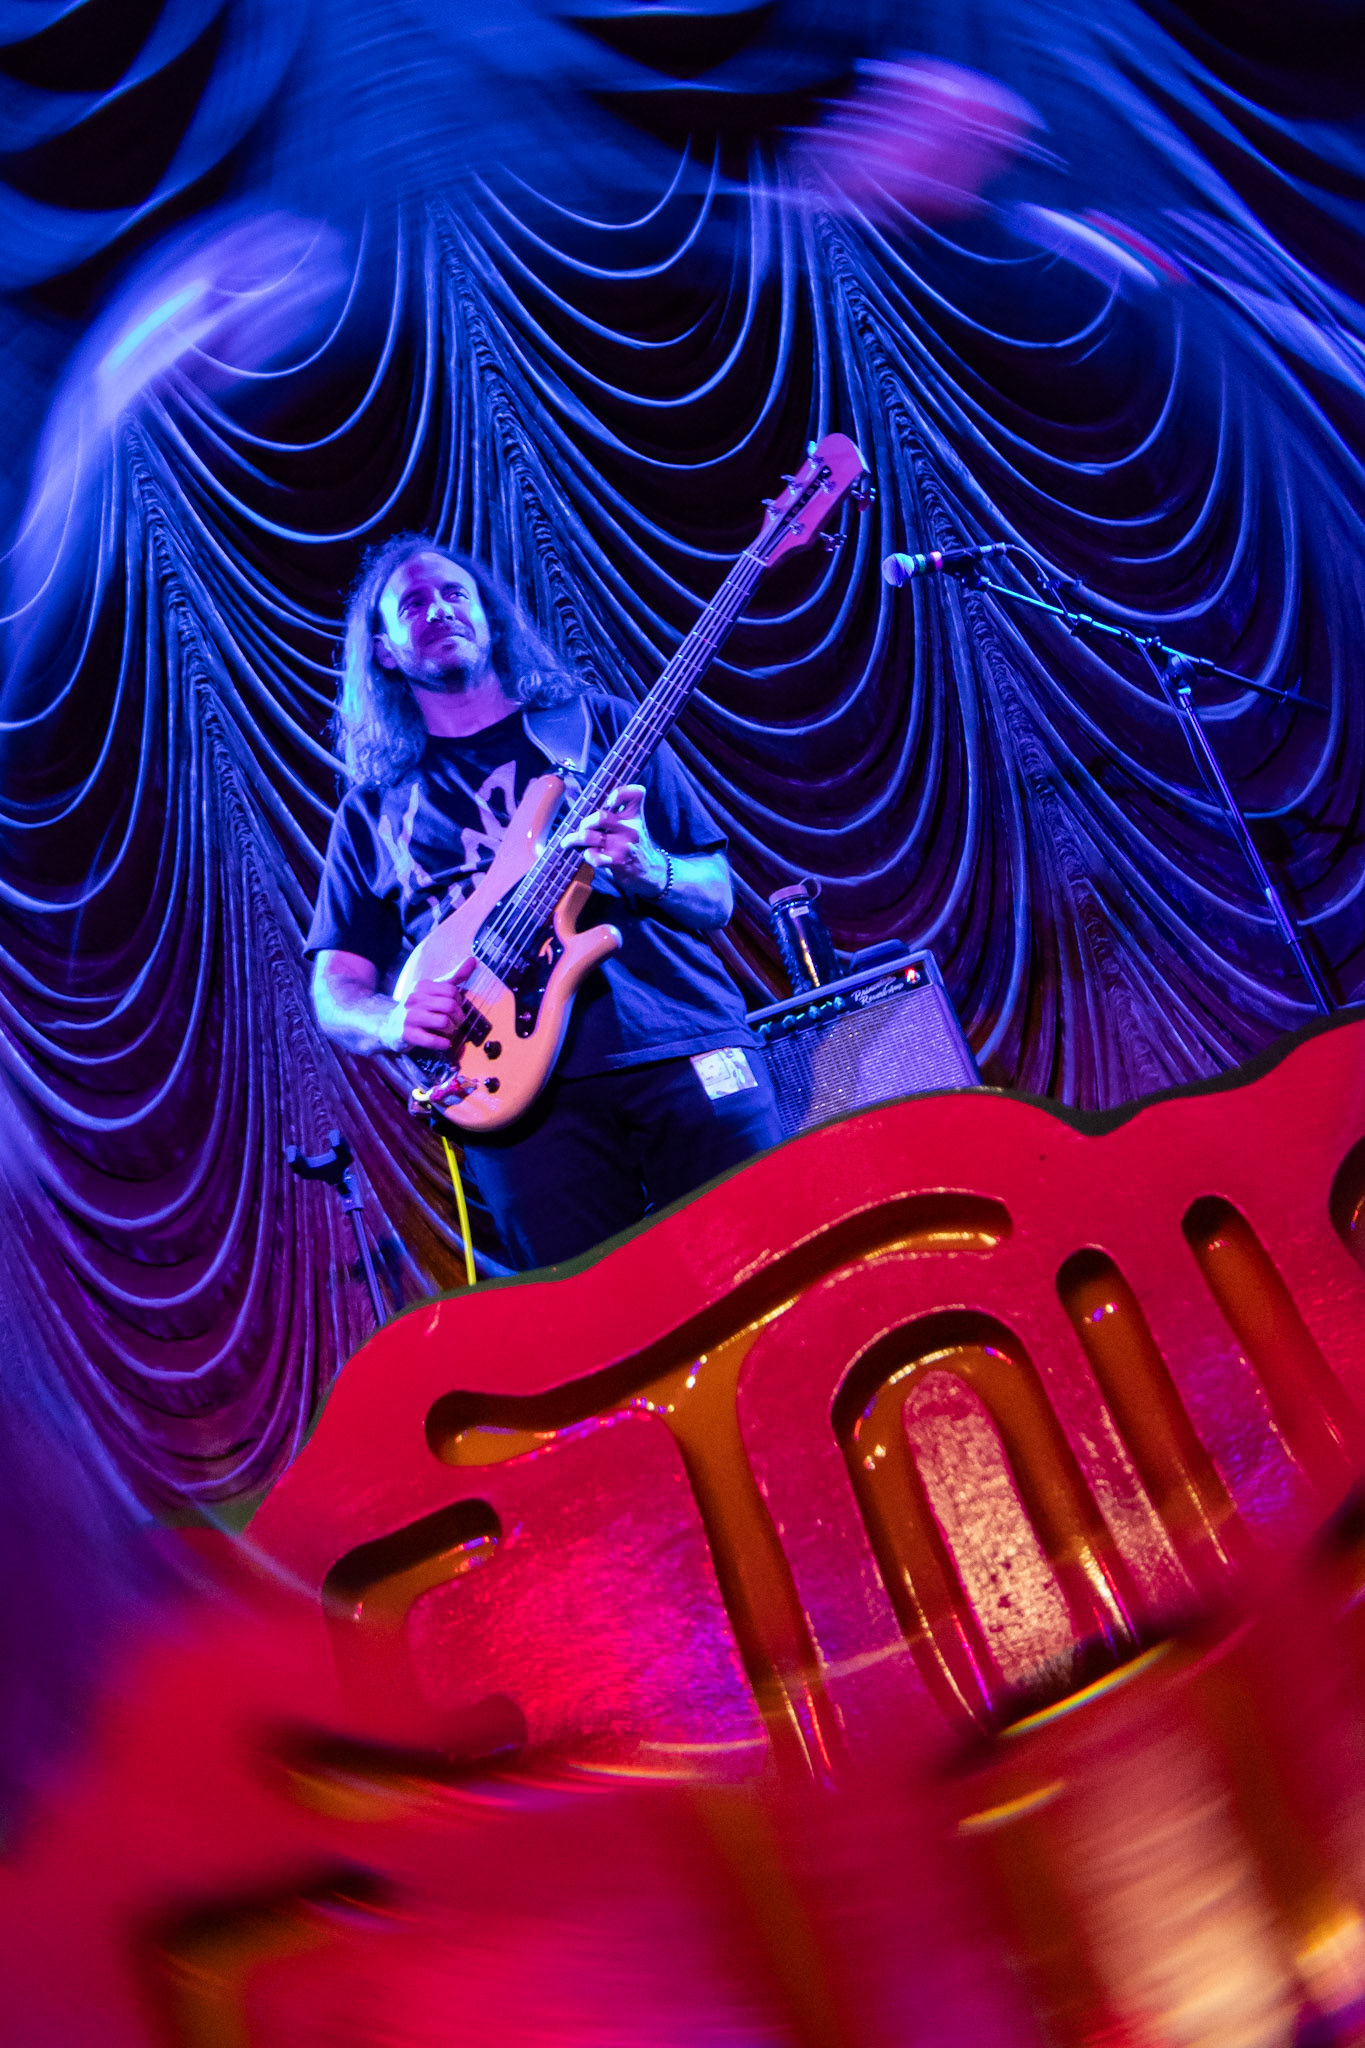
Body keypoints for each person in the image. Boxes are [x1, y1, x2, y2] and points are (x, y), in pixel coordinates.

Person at [306, 532, 782, 1270]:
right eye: (412, 604)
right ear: (385, 652)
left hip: (681, 1043)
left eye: (455, 593)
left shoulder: (601, 728)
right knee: (606, 1320)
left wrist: (648, 866)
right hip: (516, 1101)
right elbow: (335, 990)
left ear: (489, 617)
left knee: (770, 1271)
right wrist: (393, 1020)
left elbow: (716, 897)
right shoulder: (372, 811)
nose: (440, 609)